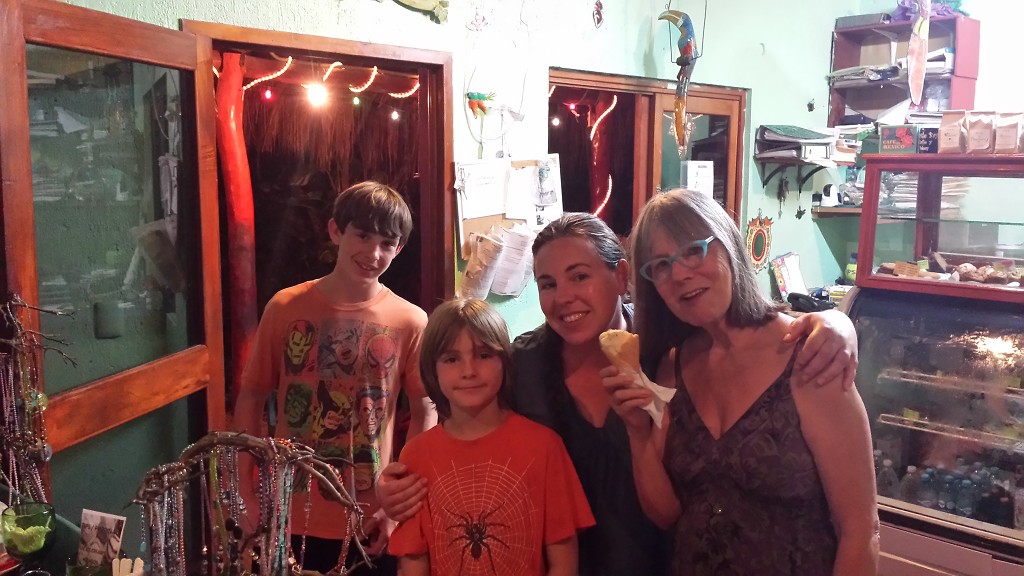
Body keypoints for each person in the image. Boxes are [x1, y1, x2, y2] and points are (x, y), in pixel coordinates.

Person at [378, 212, 860, 576]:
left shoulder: (669, 356)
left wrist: (836, 321)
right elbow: (464, 444)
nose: (564, 297)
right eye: (548, 284)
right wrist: (394, 486)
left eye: (580, 276)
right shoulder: (520, 367)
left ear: (623, 277)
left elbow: (744, 337)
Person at [603, 189, 878, 574]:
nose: (679, 274)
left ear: (729, 245)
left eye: (694, 250)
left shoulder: (808, 357)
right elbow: (667, 514)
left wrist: (838, 320)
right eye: (661, 265)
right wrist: (637, 432)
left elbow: (861, 532)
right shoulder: (672, 367)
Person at [234, 181, 437, 576]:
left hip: (368, 518)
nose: (373, 253)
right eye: (362, 235)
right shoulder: (285, 307)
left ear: (398, 249)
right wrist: (245, 490)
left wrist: (395, 508)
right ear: (335, 231)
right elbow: (252, 395)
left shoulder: (411, 320)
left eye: (387, 243)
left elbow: (424, 411)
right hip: (286, 512)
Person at [389, 298, 594, 576]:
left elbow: (564, 561)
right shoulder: (416, 455)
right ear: (431, 369)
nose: (469, 371)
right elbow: (414, 561)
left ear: (505, 362)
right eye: (451, 359)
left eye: (484, 355)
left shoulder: (544, 447)